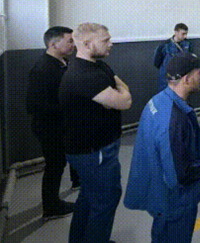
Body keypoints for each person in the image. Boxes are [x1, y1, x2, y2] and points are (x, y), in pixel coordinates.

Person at [124, 53, 200, 243]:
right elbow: (181, 176)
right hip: (176, 202)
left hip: (158, 191)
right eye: (199, 72)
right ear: (186, 79)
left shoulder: (157, 100)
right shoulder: (175, 120)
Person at [59, 23, 132, 243]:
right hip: (94, 152)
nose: (111, 43)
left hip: (94, 150)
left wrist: (117, 95)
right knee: (105, 201)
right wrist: (118, 95)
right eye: (105, 40)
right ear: (87, 44)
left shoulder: (98, 65)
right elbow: (125, 101)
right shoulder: (84, 75)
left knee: (89, 198)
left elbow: (122, 88)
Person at [26, 26, 79, 220]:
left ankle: (76, 181)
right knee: (55, 165)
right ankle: (51, 207)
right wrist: (68, 108)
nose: (73, 45)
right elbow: (34, 105)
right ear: (54, 44)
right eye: (70, 41)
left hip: (62, 124)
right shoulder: (42, 69)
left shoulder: (63, 63)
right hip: (49, 127)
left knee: (64, 159)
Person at [154, 23, 195, 92]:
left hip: (182, 76)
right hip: (167, 78)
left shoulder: (188, 44)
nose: (185, 36)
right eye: (183, 34)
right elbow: (157, 62)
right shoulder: (164, 45)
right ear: (176, 32)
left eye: (186, 34)